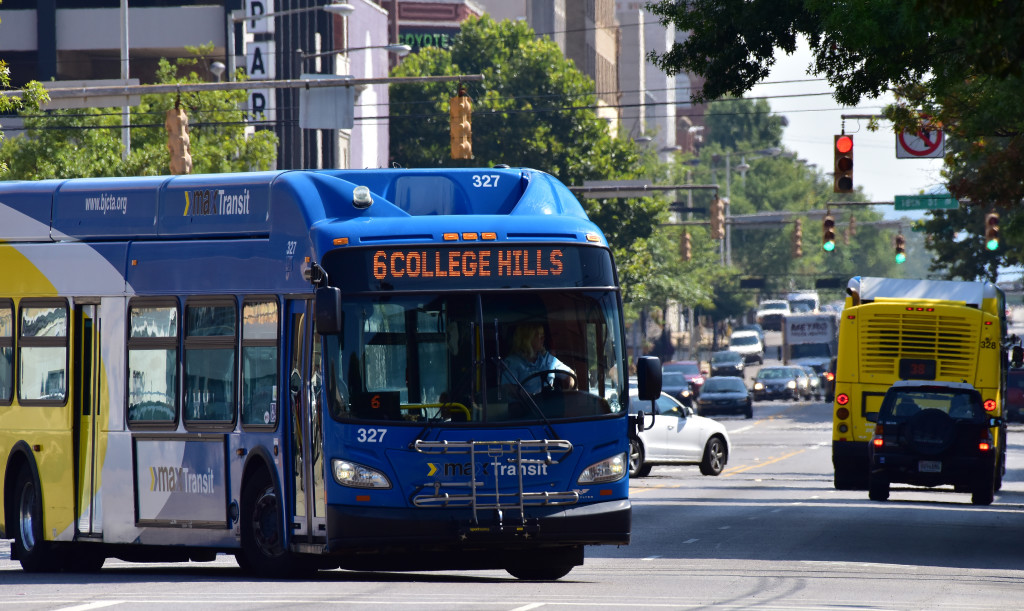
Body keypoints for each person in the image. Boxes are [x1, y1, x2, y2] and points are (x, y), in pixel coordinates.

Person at [502, 323, 575, 394]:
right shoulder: (512, 362)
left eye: (543, 336)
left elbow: (571, 374)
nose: (543, 339)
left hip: (551, 404)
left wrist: (570, 393)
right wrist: (533, 400)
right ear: (527, 338)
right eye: (539, 336)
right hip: (525, 405)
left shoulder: (548, 359)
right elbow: (510, 389)